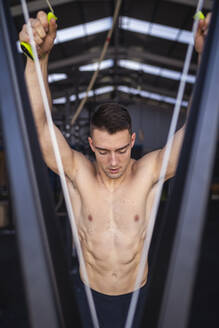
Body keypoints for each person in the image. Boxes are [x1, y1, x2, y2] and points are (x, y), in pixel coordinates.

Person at [19, 11, 211, 328]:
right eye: (104, 151)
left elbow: (198, 128)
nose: (113, 162)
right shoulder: (77, 172)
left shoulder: (149, 172)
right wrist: (37, 59)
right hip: (87, 295)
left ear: (132, 140)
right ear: (91, 144)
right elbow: (38, 126)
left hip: (139, 295)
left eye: (121, 150)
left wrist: (205, 58)